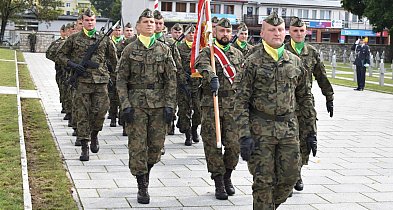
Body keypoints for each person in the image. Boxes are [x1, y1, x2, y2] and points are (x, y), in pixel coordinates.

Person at [234, 12, 315, 209]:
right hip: (261, 130)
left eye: (279, 30)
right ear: (262, 33)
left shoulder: (295, 62)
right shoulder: (252, 62)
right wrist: (244, 135)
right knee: (263, 182)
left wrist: (311, 130)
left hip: (288, 129)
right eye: (271, 30)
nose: (276, 33)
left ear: (285, 32)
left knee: (290, 177)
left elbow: (305, 97)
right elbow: (240, 100)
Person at [116, 8, 177, 204]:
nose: (150, 24)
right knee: (137, 146)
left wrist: (170, 106)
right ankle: (142, 185)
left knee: (156, 146)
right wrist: (125, 105)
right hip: (136, 105)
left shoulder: (164, 49)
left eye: (152, 21)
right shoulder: (129, 50)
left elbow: (171, 80)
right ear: (138, 26)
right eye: (146, 21)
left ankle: (147, 170)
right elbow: (121, 80)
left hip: (159, 104)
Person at [57, 8, 118, 161]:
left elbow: (114, 60)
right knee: (82, 114)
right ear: (82, 21)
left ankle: (95, 133)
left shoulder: (103, 39)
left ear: (95, 22)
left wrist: (115, 78)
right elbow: (59, 55)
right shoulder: (74, 38)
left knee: (100, 113)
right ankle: (84, 146)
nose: (90, 22)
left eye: (92, 20)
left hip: (100, 81)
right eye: (87, 20)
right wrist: (72, 64)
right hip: (82, 82)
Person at [195, 18, 243, 200]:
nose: (225, 34)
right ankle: (218, 182)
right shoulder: (208, 52)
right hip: (211, 104)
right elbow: (201, 65)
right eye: (221, 31)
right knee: (213, 144)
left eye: (228, 31)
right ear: (215, 32)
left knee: (234, 145)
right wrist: (211, 76)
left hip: (233, 106)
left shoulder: (237, 54)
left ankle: (227, 176)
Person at [285, 17, 334, 192]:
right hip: (285, 102)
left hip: (305, 103)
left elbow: (321, 75)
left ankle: (297, 172)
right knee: (289, 141)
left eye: (301, 30)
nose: (298, 34)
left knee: (307, 139)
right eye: (295, 30)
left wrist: (329, 96)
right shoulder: (282, 51)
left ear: (306, 32)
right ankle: (288, 178)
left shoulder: (311, 52)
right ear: (289, 32)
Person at [177, 24, 201, 146]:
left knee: (198, 110)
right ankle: (188, 134)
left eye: (193, 33)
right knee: (184, 110)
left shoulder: (199, 48)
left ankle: (194, 128)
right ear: (185, 35)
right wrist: (182, 80)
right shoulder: (179, 48)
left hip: (197, 85)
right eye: (189, 33)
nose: (192, 35)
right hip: (184, 84)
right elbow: (177, 66)